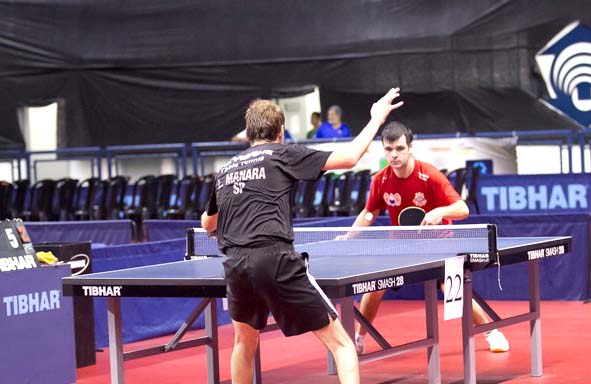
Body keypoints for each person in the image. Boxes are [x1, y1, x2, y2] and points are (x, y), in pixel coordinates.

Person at [201, 88, 404, 384]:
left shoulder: (226, 170)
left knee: (244, 344)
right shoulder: (283, 153)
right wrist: (375, 119)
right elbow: (348, 158)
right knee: (343, 345)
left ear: (248, 134)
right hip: (274, 259)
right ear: (281, 132)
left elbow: (207, 223)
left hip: (234, 264)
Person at [348, 122, 510, 355]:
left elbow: (462, 208)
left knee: (454, 289)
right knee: (373, 286)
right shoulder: (381, 180)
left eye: (399, 148)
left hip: (438, 245)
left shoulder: (429, 175)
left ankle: (492, 333)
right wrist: (348, 236)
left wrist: (440, 212)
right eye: (388, 149)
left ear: (410, 148)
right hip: (402, 247)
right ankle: (359, 338)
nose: (394, 154)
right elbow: (369, 213)